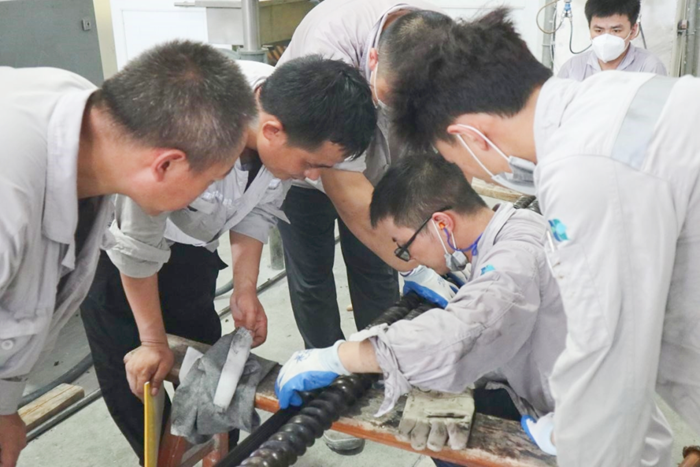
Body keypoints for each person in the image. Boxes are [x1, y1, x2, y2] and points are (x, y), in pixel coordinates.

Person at [387, 8, 696, 466]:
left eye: (459, 161)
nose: (474, 175)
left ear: (470, 135)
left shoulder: (581, 167)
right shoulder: (608, 98)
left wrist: (578, 437)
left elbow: (608, 361)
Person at [81, 55, 378, 462]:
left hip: (190, 248)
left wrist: (245, 287)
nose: (312, 176)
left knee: (212, 375)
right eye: (310, 164)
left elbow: (258, 207)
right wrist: (151, 341)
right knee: (138, 381)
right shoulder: (180, 125)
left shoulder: (291, 114)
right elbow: (136, 242)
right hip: (114, 257)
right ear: (271, 131)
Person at [0, 40, 255, 467]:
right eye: (211, 179)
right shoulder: (11, 194)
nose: (208, 196)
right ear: (166, 165)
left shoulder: (84, 119)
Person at [275, 153, 573, 463]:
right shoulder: (518, 224)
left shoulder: (514, 262)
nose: (410, 258)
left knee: (443, 439)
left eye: (405, 246)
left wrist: (338, 357)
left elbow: (459, 336)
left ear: (442, 224)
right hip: (552, 385)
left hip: (570, 417)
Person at [275, 0, 453, 354]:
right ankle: (325, 360)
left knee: (376, 269)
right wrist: (415, 264)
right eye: (395, 99)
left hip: (378, 169)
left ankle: (381, 358)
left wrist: (444, 241)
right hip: (305, 167)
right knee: (312, 276)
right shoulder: (329, 50)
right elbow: (344, 184)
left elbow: (446, 151)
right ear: (372, 60)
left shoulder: (437, 44)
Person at [558, 0, 666, 81]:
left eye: (616, 30)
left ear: (633, 31)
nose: (606, 38)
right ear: (589, 29)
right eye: (598, 30)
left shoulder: (649, 68)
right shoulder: (572, 68)